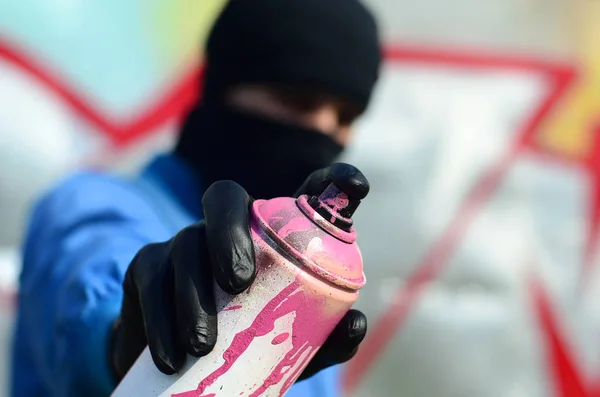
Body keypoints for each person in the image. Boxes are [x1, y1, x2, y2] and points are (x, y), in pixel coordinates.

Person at [11, 0, 381, 396]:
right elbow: (87, 301)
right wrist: (127, 346)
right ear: (224, 86)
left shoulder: (307, 287)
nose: (322, 129)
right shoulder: (87, 203)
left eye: (345, 117)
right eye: (298, 101)